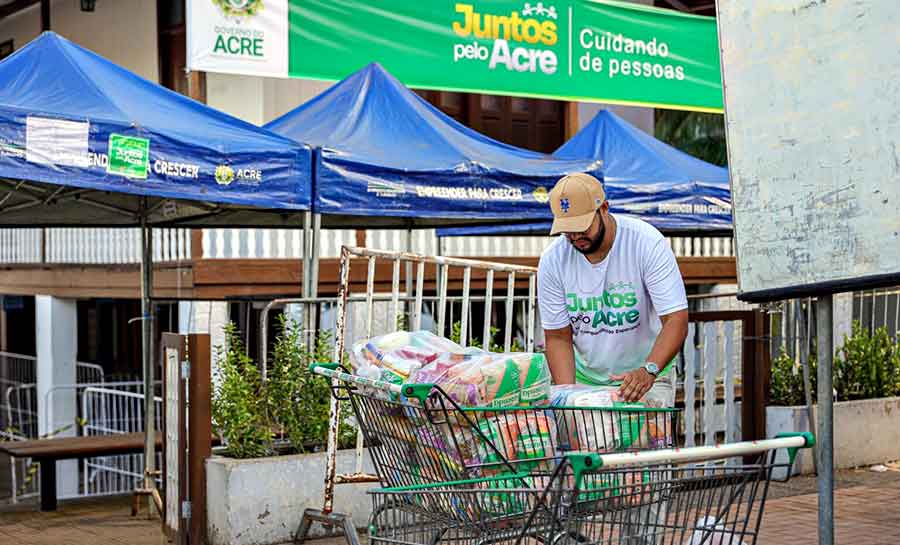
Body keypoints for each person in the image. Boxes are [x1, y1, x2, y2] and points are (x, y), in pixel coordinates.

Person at [537, 172, 688, 406]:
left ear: (604, 208)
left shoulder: (646, 243)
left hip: (648, 374)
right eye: (567, 230)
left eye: (582, 226)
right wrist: (568, 397)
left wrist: (648, 371)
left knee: (647, 442)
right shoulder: (552, 260)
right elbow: (558, 337)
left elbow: (676, 319)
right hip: (584, 380)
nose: (576, 236)